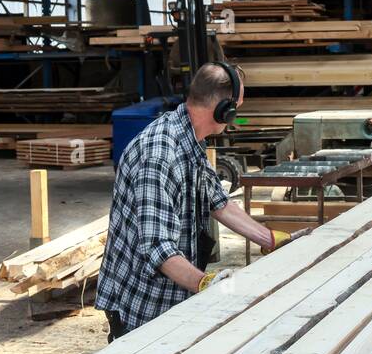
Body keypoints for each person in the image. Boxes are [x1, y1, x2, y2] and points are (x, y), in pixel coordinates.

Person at [96, 62, 292, 339]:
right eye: (238, 107)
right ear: (225, 109)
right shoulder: (160, 154)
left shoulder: (188, 138)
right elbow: (158, 247)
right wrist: (206, 284)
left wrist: (270, 239)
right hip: (143, 304)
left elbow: (218, 201)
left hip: (171, 294)